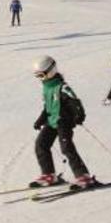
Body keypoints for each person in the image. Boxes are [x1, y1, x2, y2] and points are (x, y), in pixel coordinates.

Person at [30, 55, 96, 190]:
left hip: (63, 121)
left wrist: (79, 115)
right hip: (51, 120)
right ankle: (49, 175)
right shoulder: (46, 88)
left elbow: (75, 102)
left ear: (51, 70)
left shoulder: (62, 87)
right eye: (38, 76)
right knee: (41, 144)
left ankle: (83, 176)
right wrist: (40, 120)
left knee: (66, 148)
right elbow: (48, 106)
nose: (41, 79)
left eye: (42, 75)